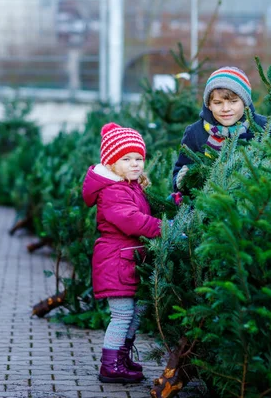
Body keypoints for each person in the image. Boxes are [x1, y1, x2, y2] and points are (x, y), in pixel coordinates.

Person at [82, 122, 161, 384]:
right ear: (112, 163)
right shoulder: (114, 191)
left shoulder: (130, 186)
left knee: (136, 311)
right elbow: (132, 221)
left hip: (127, 260)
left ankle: (122, 357)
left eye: (139, 158)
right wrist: (164, 228)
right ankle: (110, 365)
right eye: (126, 159)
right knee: (122, 314)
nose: (135, 163)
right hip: (116, 261)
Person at [172, 66, 271, 191]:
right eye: (218, 103)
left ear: (245, 102)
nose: (226, 109)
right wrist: (182, 179)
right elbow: (179, 172)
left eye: (233, 102)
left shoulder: (263, 127)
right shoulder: (195, 133)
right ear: (209, 105)